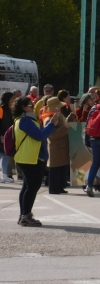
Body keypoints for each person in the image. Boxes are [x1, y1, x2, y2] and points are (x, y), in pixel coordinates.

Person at [13, 96, 61, 226]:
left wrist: (52, 123)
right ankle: (26, 215)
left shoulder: (24, 120)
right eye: (30, 106)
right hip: (30, 158)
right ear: (23, 107)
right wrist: (51, 124)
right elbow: (40, 136)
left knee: (27, 186)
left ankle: (23, 215)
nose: (33, 107)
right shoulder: (24, 121)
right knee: (32, 186)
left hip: (29, 157)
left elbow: (40, 134)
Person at [42, 97, 74, 195]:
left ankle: (60, 186)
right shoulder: (48, 119)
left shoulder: (58, 116)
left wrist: (70, 117)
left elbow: (64, 124)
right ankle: (54, 188)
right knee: (55, 169)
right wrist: (65, 128)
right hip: (55, 147)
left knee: (62, 168)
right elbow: (52, 134)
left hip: (62, 146)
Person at [1, 91, 14, 183]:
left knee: (5, 155)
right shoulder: (1, 109)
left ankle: (4, 175)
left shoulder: (10, 109)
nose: (13, 100)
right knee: (2, 155)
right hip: (2, 136)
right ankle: (3, 175)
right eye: (12, 98)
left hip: (7, 135)